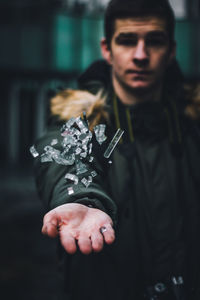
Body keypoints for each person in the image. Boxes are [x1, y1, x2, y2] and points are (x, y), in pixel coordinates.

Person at [33, 0, 200, 299]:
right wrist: (83, 199)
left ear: (172, 50)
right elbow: (62, 158)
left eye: (154, 41)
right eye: (126, 41)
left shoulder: (193, 128)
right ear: (106, 49)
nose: (140, 55)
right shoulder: (79, 123)